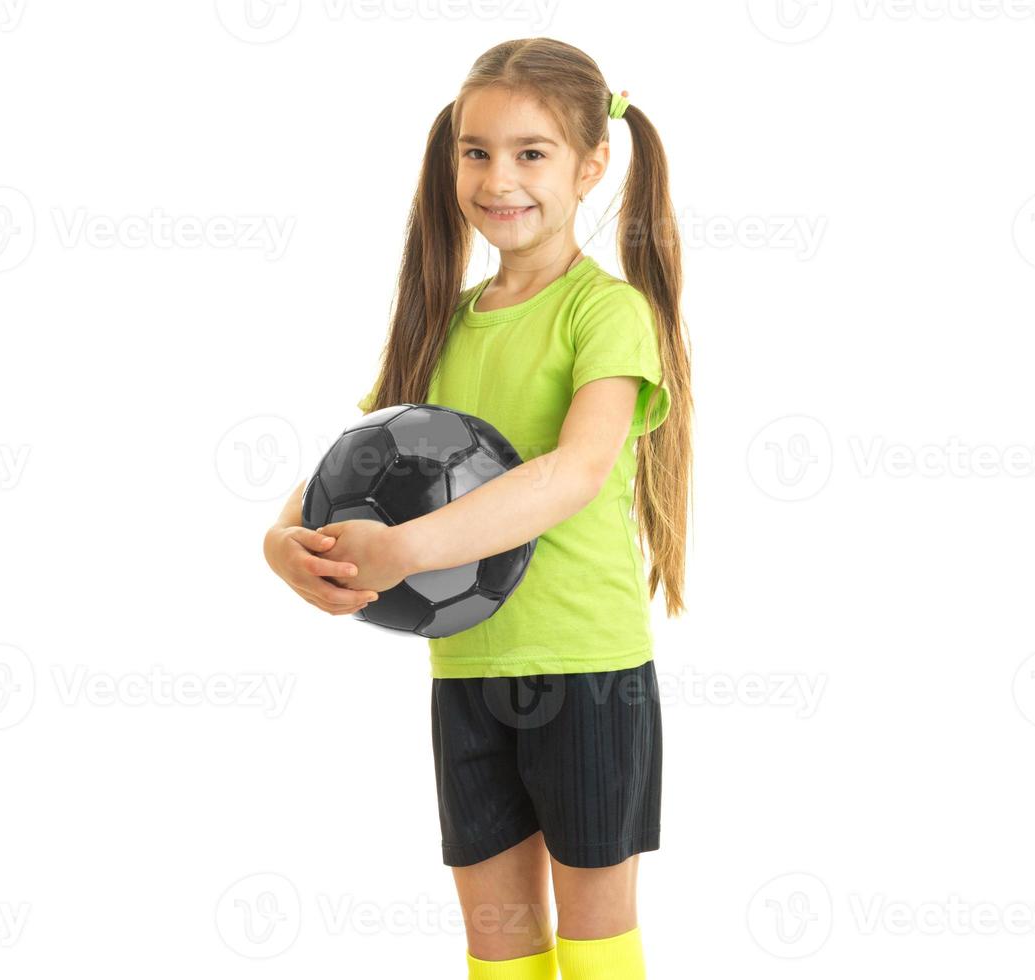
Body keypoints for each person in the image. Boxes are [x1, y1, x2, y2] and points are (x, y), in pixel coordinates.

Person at [262, 37, 693, 980]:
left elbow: (574, 471)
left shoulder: (606, 312)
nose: (500, 177)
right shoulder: (444, 320)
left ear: (591, 164)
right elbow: (357, 457)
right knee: (497, 939)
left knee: (593, 936)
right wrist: (282, 540)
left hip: (589, 670)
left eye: (531, 153)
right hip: (465, 669)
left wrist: (404, 549)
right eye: (477, 151)